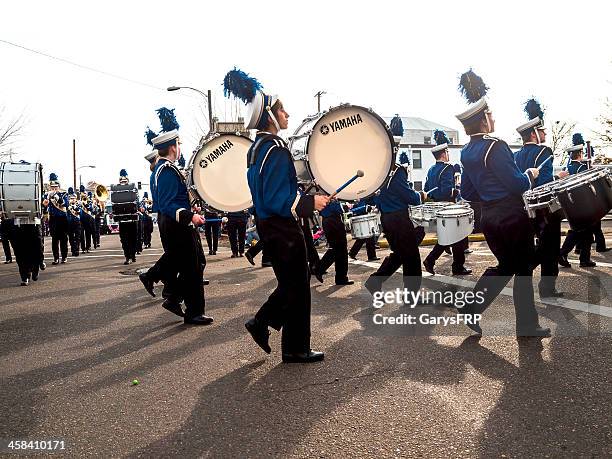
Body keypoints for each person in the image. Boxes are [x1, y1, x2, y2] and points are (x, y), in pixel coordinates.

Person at [224, 68, 329, 362]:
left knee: (292, 282)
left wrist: (307, 197)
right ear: (270, 115)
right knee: (297, 285)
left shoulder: (256, 149)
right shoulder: (274, 149)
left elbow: (270, 191)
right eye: (282, 110)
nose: (287, 114)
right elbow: (276, 198)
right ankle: (294, 346)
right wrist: (309, 203)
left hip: (270, 226)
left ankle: (263, 325)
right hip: (282, 227)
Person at [454, 69, 549, 337]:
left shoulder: (467, 151)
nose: (493, 117)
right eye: (490, 115)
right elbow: (517, 184)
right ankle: (527, 326)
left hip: (489, 217)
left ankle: (471, 308)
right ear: (484, 121)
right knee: (522, 270)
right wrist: (529, 175)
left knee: (508, 266)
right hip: (510, 216)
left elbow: (469, 192)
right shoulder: (495, 146)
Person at [149, 107, 212, 325]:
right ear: (173, 147)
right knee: (192, 267)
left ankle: (174, 297)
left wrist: (190, 211)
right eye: (178, 144)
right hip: (175, 224)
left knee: (189, 265)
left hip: (175, 222)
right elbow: (167, 204)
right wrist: (189, 217)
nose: (179, 148)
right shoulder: (166, 170)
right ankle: (194, 312)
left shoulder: (165, 168)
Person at [514, 98, 568, 297]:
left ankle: (524, 270)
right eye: (542, 130)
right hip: (544, 209)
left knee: (538, 246)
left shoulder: (516, 155)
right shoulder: (545, 151)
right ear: (534, 133)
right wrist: (557, 177)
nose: (545, 133)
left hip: (524, 209)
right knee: (551, 248)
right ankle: (546, 287)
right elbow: (544, 184)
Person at [364, 151, 424, 297]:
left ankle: (375, 281)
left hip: (386, 219)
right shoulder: (396, 171)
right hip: (399, 219)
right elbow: (409, 197)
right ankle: (411, 296)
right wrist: (420, 195)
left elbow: (369, 199)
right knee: (412, 258)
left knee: (400, 253)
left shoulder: (377, 173)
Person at [422, 129, 472, 276]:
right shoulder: (447, 168)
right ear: (444, 153)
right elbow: (446, 191)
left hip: (436, 207)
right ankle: (434, 261)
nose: (449, 155)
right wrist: (457, 191)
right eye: (448, 152)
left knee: (453, 236)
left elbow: (426, 189)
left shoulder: (431, 170)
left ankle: (455, 265)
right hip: (447, 206)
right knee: (455, 235)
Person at [558, 134, 597, 268]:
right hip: (584, 204)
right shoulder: (582, 167)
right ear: (580, 153)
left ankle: (584, 259)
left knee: (585, 231)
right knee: (579, 231)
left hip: (571, 204)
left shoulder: (567, 169)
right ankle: (563, 253)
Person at [316, 199, 353, 285]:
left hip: (331, 220)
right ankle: (319, 269)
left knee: (339, 250)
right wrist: (346, 206)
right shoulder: (326, 191)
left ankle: (341, 278)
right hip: (332, 221)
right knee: (338, 250)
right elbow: (336, 207)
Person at [44, 173, 69, 265]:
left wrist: (58, 198)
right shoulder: (47, 195)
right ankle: (55, 258)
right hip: (53, 219)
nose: (54, 188)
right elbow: (44, 205)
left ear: (58, 187)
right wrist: (45, 201)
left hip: (62, 218)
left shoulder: (63, 194)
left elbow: (66, 204)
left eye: (55, 187)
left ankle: (64, 256)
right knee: (54, 239)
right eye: (52, 187)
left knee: (63, 239)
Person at [9, 222, 43, 286]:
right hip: (18, 225)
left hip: (33, 224)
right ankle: (25, 277)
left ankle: (35, 268)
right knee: (20, 254)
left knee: (36, 249)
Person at [116, 170, 138, 265]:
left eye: (125, 181)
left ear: (127, 180)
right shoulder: (116, 190)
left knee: (133, 238)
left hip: (132, 218)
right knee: (124, 239)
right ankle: (127, 256)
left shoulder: (133, 189)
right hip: (122, 219)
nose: (123, 182)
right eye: (121, 181)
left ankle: (132, 255)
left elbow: (137, 200)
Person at [348, 197, 379, 262]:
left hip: (366, 214)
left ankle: (371, 256)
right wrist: (366, 207)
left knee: (368, 236)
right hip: (361, 215)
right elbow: (357, 207)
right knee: (365, 237)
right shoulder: (361, 196)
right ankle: (353, 253)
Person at [66, 188, 82, 257]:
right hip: (69, 223)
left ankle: (77, 250)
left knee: (77, 237)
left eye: (73, 198)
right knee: (71, 237)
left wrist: (75, 208)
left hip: (77, 222)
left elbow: (80, 212)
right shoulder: (67, 206)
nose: (72, 199)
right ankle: (73, 249)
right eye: (71, 198)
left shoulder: (78, 204)